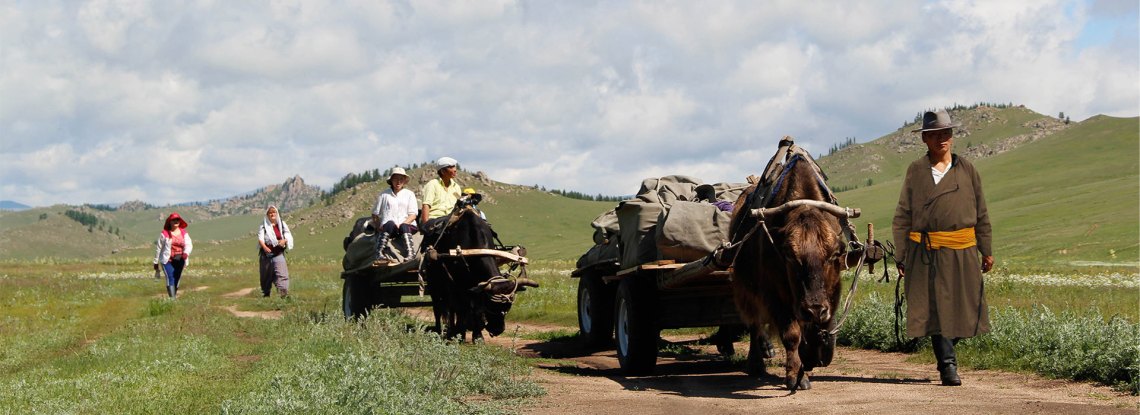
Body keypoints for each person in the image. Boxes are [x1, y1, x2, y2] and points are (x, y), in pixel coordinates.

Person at [892, 109, 994, 386]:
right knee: (937, 309)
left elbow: (981, 211)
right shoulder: (916, 171)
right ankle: (947, 366)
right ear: (925, 139)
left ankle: (947, 351)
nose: (942, 139)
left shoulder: (967, 169)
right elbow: (902, 215)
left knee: (968, 307)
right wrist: (900, 255)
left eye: (946, 133)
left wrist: (986, 249)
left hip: (963, 249)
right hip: (926, 252)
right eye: (935, 134)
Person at [372, 167, 419, 261]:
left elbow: (413, 214)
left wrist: (402, 223)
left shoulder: (409, 194)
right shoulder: (384, 195)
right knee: (389, 223)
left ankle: (411, 253)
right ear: (391, 180)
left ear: (404, 181)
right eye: (396, 179)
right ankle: (379, 252)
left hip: (407, 227)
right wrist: (378, 226)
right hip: (389, 228)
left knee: (404, 226)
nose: (398, 182)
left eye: (401, 179)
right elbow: (375, 213)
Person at [420, 156, 463, 238]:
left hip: (452, 219)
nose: (455, 169)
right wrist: (426, 226)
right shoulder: (432, 184)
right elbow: (426, 205)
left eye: (454, 166)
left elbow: (458, 206)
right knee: (449, 220)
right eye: (451, 167)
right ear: (443, 171)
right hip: (435, 220)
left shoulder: (456, 187)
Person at [153, 212, 193, 299]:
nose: (176, 221)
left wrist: (186, 253)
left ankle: (173, 297)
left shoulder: (183, 233)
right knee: (170, 277)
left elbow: (189, 244)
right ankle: (172, 300)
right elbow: (158, 248)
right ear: (170, 222)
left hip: (180, 259)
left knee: (177, 278)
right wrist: (155, 262)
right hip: (167, 260)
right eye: (174, 220)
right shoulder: (164, 233)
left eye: (177, 219)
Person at [257, 205, 294, 298]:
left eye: (274, 212)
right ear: (267, 215)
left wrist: (284, 241)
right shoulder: (263, 226)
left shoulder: (281, 224)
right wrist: (265, 247)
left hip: (278, 254)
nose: (272, 214)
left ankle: (283, 295)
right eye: (270, 213)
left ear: (277, 213)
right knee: (266, 276)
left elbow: (287, 234)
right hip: (266, 256)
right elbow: (260, 238)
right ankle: (266, 294)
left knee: (282, 274)